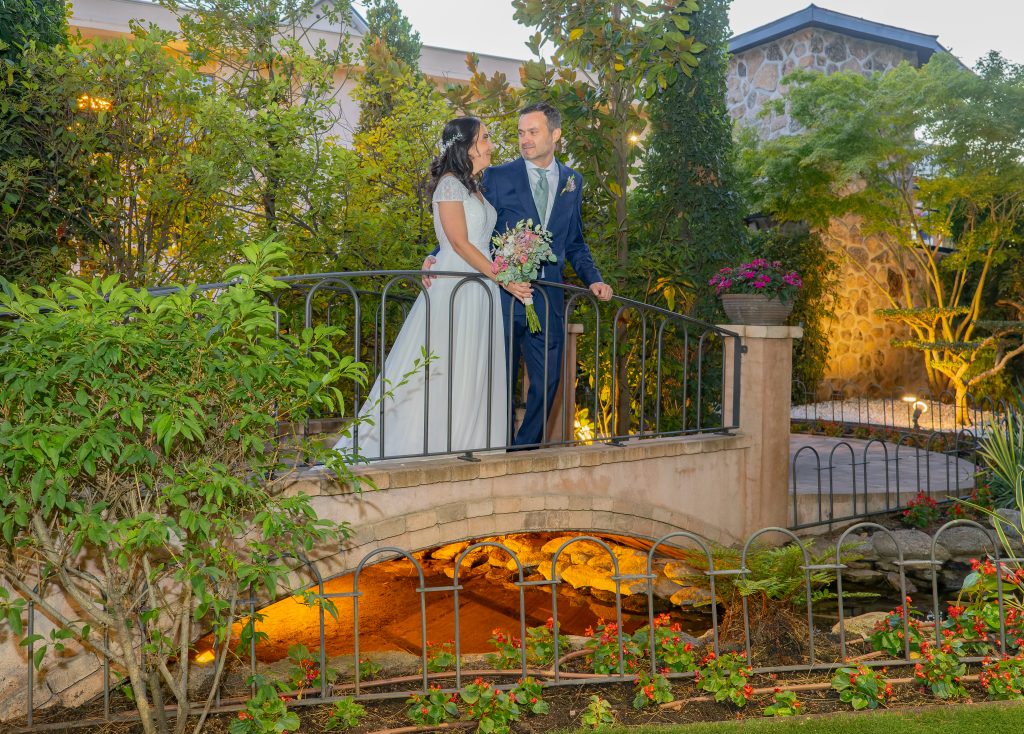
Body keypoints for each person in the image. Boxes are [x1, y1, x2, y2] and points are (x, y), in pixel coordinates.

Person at [336, 117, 531, 458]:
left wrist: (505, 268)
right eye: (485, 138)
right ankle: (438, 446)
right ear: (466, 145)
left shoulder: (473, 187)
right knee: (445, 368)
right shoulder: (450, 185)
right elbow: (457, 242)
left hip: (479, 285)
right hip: (458, 283)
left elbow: (477, 241)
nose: (491, 144)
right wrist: (505, 278)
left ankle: (471, 444)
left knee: (472, 368)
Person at [424, 103, 613, 448]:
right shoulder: (497, 176)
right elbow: (471, 228)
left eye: (533, 132)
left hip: (547, 298)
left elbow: (575, 242)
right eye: (521, 132)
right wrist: (436, 254)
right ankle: (497, 444)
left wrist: (594, 279)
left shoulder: (573, 181)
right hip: (502, 295)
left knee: (549, 379)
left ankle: (521, 450)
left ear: (555, 135)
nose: (524, 140)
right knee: (500, 378)